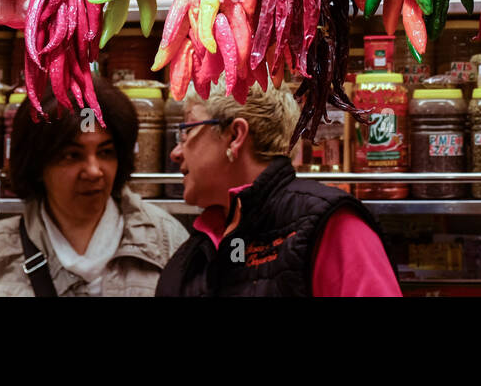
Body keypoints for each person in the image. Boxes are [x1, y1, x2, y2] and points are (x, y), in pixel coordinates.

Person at [156, 81, 400, 297]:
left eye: (188, 131)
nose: (176, 153)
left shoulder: (329, 225)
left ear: (235, 135)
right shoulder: (194, 252)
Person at [0, 77, 188, 297]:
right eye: (72, 155)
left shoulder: (166, 240)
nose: (93, 171)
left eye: (105, 152)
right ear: (38, 164)